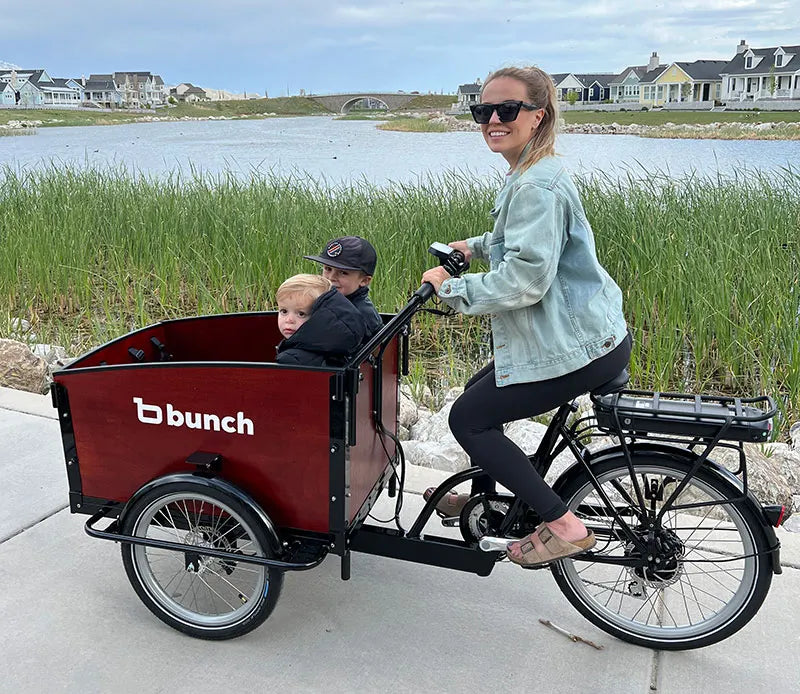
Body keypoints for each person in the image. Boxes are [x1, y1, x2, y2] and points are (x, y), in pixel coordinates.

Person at [420, 66, 631, 568]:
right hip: (589, 337)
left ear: (538, 116)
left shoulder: (536, 184)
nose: (492, 119)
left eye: (506, 110)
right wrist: (472, 247)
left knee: (467, 419)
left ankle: (563, 525)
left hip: (577, 348)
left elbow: (526, 281)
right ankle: (486, 499)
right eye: (482, 110)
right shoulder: (530, 172)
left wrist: (451, 288)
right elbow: (519, 242)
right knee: (478, 392)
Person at [275, 274, 366, 367]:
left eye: (301, 314)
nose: (289, 320)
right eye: (284, 311)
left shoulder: (291, 360)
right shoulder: (334, 345)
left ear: (320, 317)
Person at [304, 236, 383, 338]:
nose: (331, 278)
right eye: (328, 269)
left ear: (364, 280)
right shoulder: (326, 301)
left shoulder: (360, 316)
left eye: (343, 273)